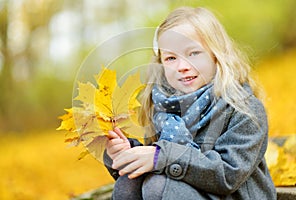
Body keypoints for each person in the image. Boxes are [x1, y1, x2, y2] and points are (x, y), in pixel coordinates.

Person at [103, 6, 277, 200]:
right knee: (130, 182)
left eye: (193, 53)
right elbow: (158, 165)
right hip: (188, 193)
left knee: (157, 186)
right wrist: (126, 153)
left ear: (215, 54)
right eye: (170, 58)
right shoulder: (162, 108)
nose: (183, 67)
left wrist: (163, 157)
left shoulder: (243, 109)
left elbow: (229, 174)